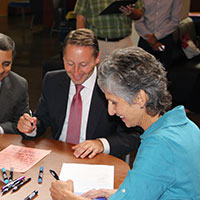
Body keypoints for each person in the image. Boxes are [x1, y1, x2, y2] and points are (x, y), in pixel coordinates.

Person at [50, 47, 200, 200]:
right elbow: (157, 183)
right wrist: (123, 194)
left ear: (140, 98)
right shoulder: (187, 127)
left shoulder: (159, 145)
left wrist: (66, 196)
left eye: (114, 102)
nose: (111, 111)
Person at [18, 29, 141, 159]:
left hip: (97, 160)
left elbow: (133, 135)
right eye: (70, 64)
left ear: (97, 58)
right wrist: (31, 127)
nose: (76, 72)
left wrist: (101, 144)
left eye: (83, 65)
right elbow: (41, 119)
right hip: (59, 154)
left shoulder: (113, 87)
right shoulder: (52, 81)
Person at [74, 0, 143, 61]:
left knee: (128, 73)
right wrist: (82, 44)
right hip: (100, 44)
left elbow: (139, 13)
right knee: (101, 74)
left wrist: (131, 13)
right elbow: (80, 19)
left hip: (125, 42)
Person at [135, 0, 182, 70]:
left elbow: (175, 20)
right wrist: (150, 39)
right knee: (142, 72)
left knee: (163, 72)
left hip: (164, 41)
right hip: (145, 41)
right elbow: (137, 19)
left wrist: (156, 36)